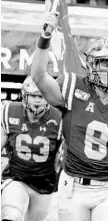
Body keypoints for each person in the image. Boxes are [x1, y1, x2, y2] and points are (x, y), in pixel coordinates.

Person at [30, 12, 108, 221]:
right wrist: (44, 39)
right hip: (73, 187)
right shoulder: (72, 87)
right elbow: (39, 76)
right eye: (106, 64)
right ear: (92, 65)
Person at [1, 75, 62, 221]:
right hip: (16, 178)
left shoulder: (59, 117)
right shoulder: (9, 111)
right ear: (24, 96)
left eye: (41, 96)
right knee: (12, 215)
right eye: (33, 96)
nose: (37, 100)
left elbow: (62, 157)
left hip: (45, 183)